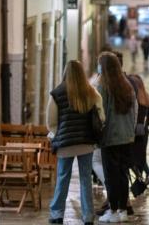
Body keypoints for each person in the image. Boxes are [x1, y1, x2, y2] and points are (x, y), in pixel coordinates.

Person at [46, 60, 105, 225]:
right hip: (86, 143)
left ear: (66, 72)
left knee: (62, 177)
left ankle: (57, 214)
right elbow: (101, 116)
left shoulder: (57, 93)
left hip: (65, 145)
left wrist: (60, 134)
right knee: (86, 180)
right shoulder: (91, 92)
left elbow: (50, 122)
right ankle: (87, 217)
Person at [97, 52, 137, 223]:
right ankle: (122, 210)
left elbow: (101, 114)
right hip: (127, 137)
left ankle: (112, 210)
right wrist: (130, 131)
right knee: (122, 174)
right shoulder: (127, 85)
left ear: (104, 67)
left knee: (111, 175)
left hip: (110, 138)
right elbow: (134, 113)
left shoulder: (103, 86)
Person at [127, 74, 149, 184]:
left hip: (134, 132)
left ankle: (141, 179)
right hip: (144, 132)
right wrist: (144, 126)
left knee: (133, 157)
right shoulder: (146, 97)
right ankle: (147, 175)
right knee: (140, 156)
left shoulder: (134, 99)